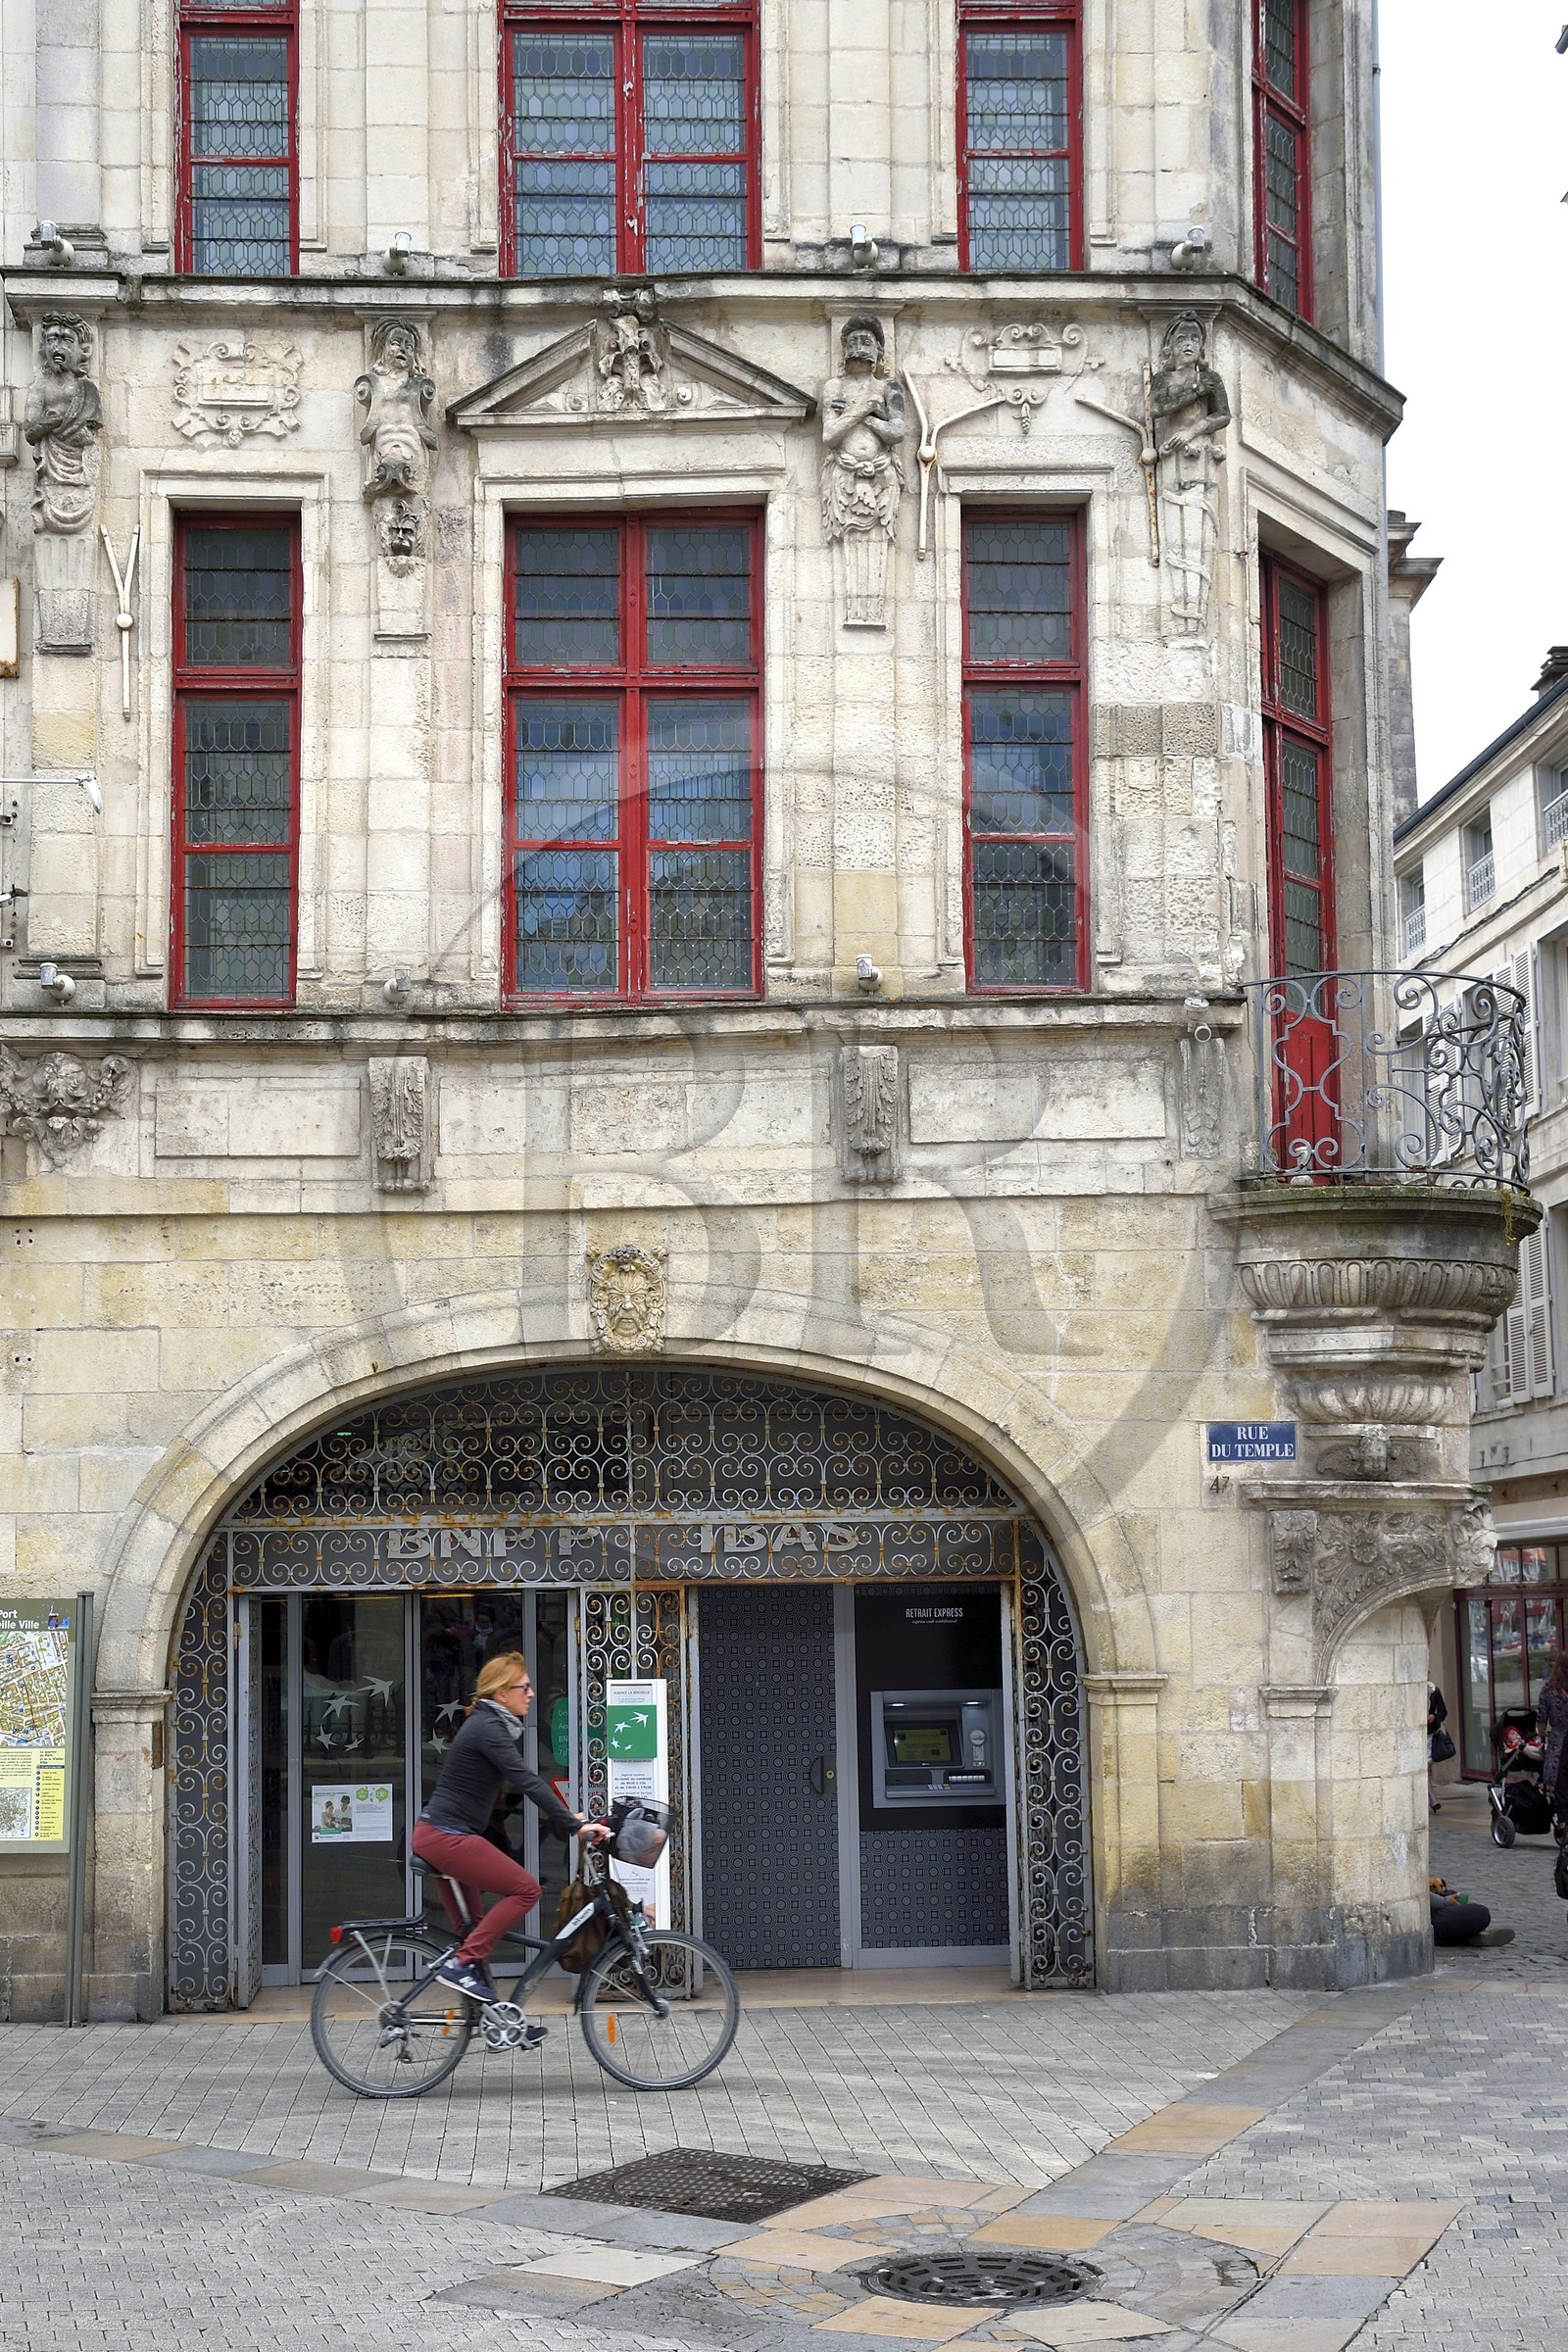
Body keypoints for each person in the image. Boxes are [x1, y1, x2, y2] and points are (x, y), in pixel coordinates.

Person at [411, 1653, 607, 2032]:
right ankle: (463, 1964)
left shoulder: (487, 1724)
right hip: (446, 1837)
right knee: (526, 1889)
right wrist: (572, 1824)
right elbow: (526, 1779)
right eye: (525, 1687)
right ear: (502, 1694)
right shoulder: (487, 1728)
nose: (532, 1694)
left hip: (442, 1834)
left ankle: (500, 2020)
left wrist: (567, 1819)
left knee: (474, 1929)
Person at [1537, 1654, 1568, 1830]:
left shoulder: (1548, 1689)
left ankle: (1562, 1822)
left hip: (1558, 1742)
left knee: (1559, 1783)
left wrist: (1544, 1732)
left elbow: (1541, 1720)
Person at [1427, 1685, 1449, 1812]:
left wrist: (1433, 1717)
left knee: (1427, 1767)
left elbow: (1443, 1712)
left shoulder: (1434, 1690)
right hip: (1414, 1735)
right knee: (1424, 1768)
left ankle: (1430, 1797)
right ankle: (1433, 1798)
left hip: (1429, 1735)